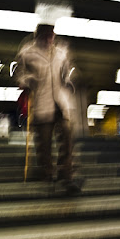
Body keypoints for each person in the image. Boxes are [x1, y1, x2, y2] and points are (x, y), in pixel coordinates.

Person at [14, 23, 82, 194]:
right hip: (41, 102)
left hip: (60, 102)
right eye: (46, 35)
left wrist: (69, 79)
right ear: (38, 36)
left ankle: (66, 174)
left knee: (67, 135)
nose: (50, 38)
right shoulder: (27, 52)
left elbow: (68, 71)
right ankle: (47, 172)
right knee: (44, 141)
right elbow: (18, 72)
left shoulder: (61, 52)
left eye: (52, 35)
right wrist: (26, 80)